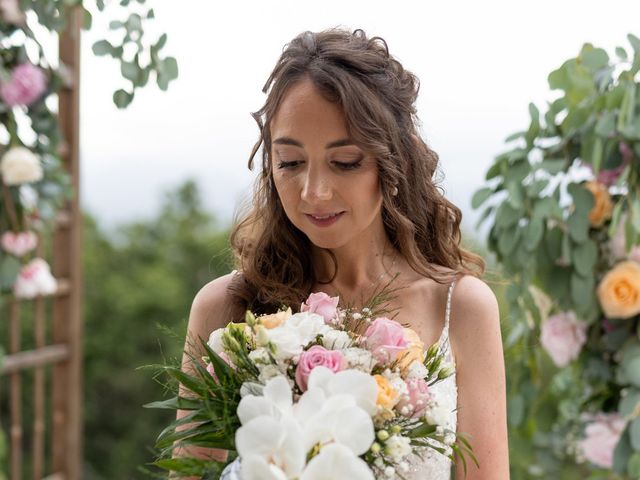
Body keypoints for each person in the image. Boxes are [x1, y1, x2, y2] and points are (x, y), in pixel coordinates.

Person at [177, 27, 509, 479]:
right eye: (291, 163)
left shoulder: (462, 308)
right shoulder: (225, 309)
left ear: (393, 163)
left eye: (345, 161)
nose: (314, 193)